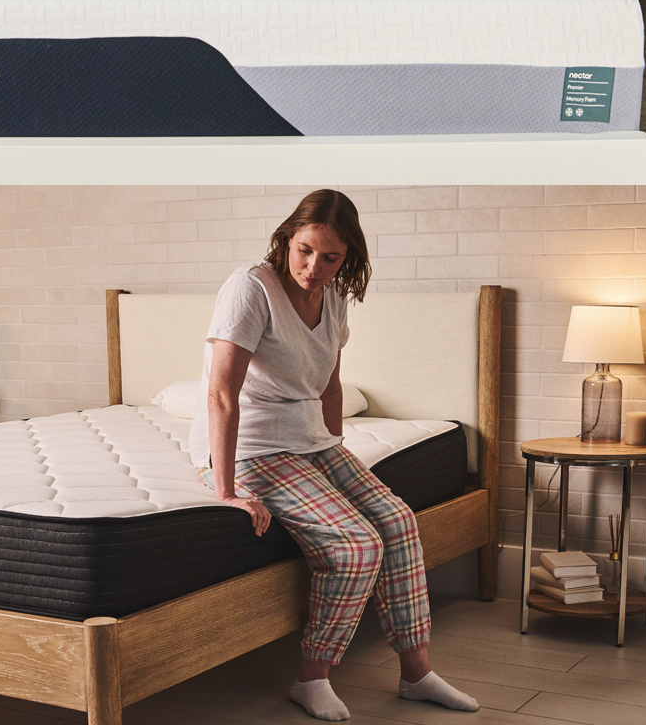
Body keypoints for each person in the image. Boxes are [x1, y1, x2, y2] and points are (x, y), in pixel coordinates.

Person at [190, 190, 478, 721]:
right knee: (356, 543)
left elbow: (330, 386)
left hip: (314, 440)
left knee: (397, 521)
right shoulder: (250, 287)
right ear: (286, 239)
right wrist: (225, 490)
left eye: (330, 258)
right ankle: (312, 677)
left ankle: (417, 674)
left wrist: (337, 453)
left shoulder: (334, 299)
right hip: (257, 444)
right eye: (304, 250)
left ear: (349, 259)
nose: (313, 267)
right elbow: (221, 394)